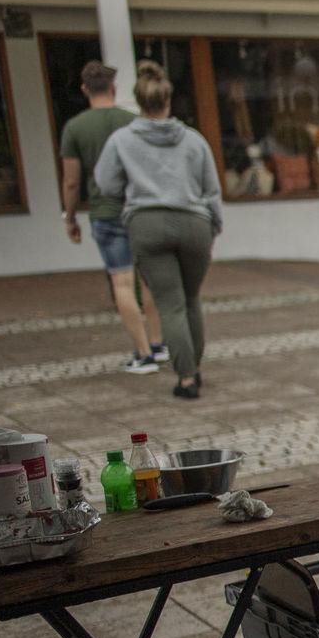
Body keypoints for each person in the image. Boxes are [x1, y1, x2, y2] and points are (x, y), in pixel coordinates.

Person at [94, 61, 223, 400]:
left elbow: (105, 183)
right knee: (192, 298)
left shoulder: (122, 140)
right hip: (194, 223)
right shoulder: (194, 141)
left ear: (140, 102)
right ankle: (193, 364)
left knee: (170, 303)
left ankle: (186, 377)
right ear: (168, 100)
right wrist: (214, 227)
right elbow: (211, 189)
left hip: (147, 223)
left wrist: (133, 187)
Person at [59, 60, 168, 375]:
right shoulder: (133, 122)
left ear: (84, 90)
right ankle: (159, 343)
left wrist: (69, 216)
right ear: (114, 88)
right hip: (139, 210)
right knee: (149, 278)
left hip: (106, 212)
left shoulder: (75, 128)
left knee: (122, 282)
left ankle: (143, 353)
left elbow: (70, 180)